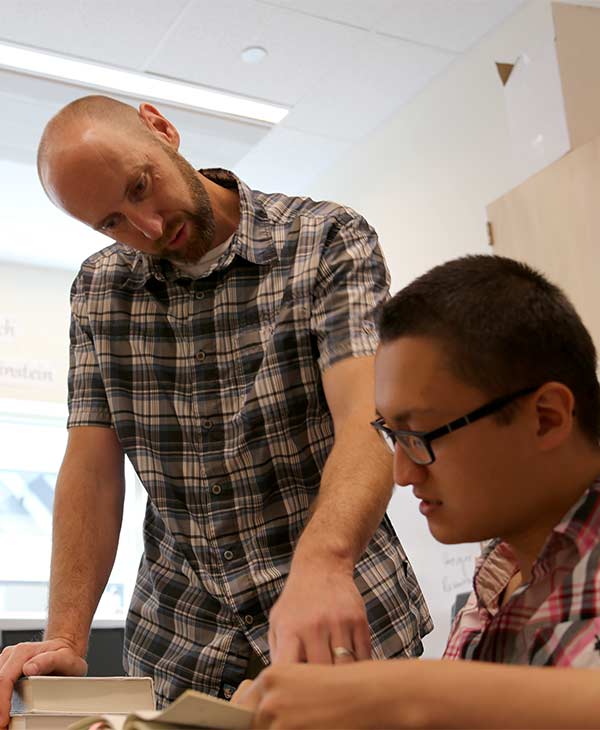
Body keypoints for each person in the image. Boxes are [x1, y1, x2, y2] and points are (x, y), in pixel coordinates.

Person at [0, 95, 431, 725]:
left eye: (141, 187)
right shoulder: (99, 290)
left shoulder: (324, 239)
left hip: (337, 622)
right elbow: (91, 467)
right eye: (112, 222)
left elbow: (366, 416)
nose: (146, 229)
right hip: (181, 645)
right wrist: (65, 637)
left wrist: (324, 563)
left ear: (162, 128)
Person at [234, 254, 600, 729]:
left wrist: (398, 697)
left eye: (422, 435)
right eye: (394, 436)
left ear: (546, 417)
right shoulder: (505, 567)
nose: (403, 473)